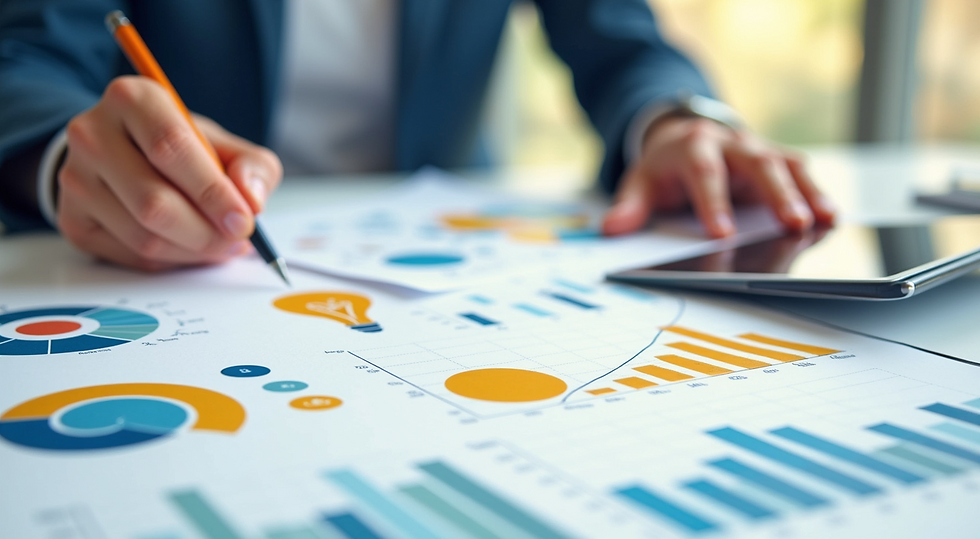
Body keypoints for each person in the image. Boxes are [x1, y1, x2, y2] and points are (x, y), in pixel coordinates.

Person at [0, 0, 835, 271]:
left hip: (434, 238)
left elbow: (621, 39)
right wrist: (70, 157)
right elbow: (28, 49)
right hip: (173, 236)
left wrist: (679, 118)